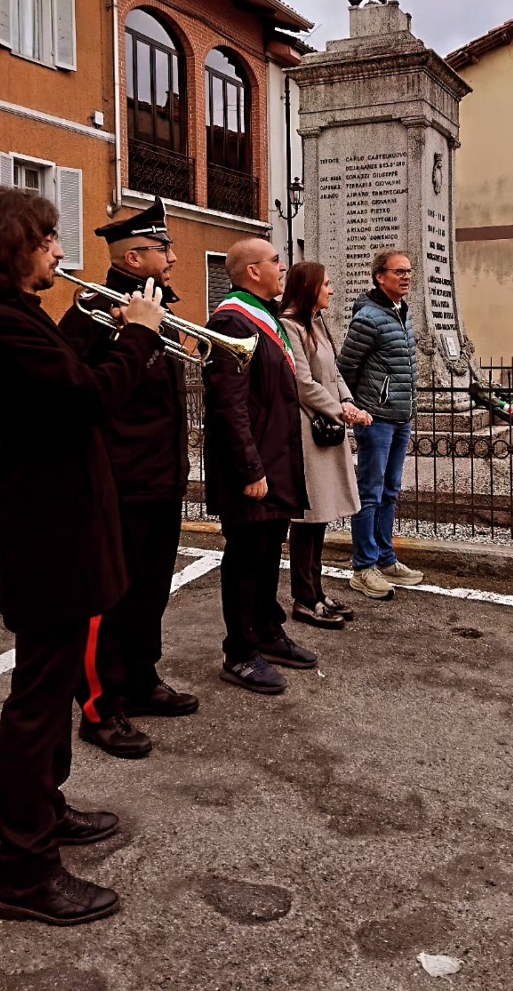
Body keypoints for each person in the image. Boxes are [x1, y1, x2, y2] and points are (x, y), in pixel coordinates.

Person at [0, 186, 164, 926]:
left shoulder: (18, 316)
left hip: (61, 524)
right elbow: (89, 399)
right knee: (37, 701)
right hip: (48, 532)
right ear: (13, 248)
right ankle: (25, 871)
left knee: (53, 682)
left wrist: (105, 323)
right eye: (47, 241)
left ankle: (45, 807)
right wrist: (139, 336)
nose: (60, 253)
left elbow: (66, 372)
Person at [58, 197, 197, 761]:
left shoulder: (160, 309)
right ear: (134, 258)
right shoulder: (93, 311)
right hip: (120, 479)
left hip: (161, 477)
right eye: (164, 248)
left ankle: (140, 679)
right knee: (109, 600)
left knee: (150, 591)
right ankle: (99, 707)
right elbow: (77, 394)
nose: (173, 256)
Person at [203, 237, 316, 693]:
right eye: (275, 260)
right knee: (246, 558)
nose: (282, 267)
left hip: (274, 460)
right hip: (252, 468)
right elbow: (228, 405)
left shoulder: (262, 315)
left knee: (269, 553)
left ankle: (267, 632)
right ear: (252, 270)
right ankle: (240, 651)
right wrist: (250, 469)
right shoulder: (232, 320)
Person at [279, 262, 372, 628]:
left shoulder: (316, 322)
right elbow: (303, 383)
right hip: (310, 431)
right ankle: (304, 597)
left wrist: (348, 403)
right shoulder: (290, 325)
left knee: (320, 517)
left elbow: (333, 375)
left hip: (327, 426)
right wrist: (340, 410)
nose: (332, 290)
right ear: (309, 288)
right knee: (308, 516)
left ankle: (315, 591)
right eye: (327, 284)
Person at [337, 249, 423, 600]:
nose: (406, 276)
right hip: (377, 418)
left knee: (390, 490)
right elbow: (346, 369)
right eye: (399, 271)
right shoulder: (368, 319)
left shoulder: (402, 312)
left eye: (409, 271)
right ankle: (363, 567)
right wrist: (358, 408)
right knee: (370, 492)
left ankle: (386, 559)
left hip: (401, 416)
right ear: (379, 277)